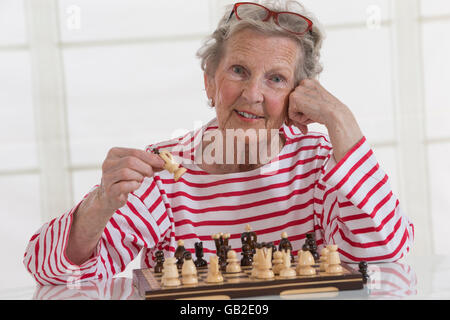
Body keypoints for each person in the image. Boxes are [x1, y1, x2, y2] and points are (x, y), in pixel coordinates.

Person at [24, 1, 414, 285]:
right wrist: (99, 204)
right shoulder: (165, 171)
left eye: (276, 79)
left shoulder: (320, 164)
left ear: (299, 94)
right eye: (238, 71)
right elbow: (51, 270)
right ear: (209, 81)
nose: (252, 93)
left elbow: (385, 257)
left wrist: (342, 122)